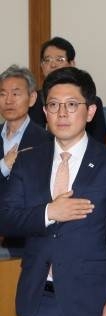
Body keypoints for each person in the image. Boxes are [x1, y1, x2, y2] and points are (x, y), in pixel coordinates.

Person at [0, 67, 106, 316]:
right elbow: (6, 217)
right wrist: (49, 211)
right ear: (45, 112)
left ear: (90, 111)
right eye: (53, 105)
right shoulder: (28, 160)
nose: (62, 113)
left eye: (72, 105)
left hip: (94, 304)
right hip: (37, 302)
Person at [0, 65, 50, 257]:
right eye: (3, 94)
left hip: (29, 236)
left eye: (16, 93)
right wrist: (4, 166)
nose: (8, 100)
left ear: (32, 98)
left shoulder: (46, 141)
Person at [29, 36, 106, 144]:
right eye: (47, 60)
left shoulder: (91, 102)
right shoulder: (31, 101)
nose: (53, 64)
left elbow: (98, 145)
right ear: (42, 66)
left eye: (60, 59)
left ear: (72, 64)